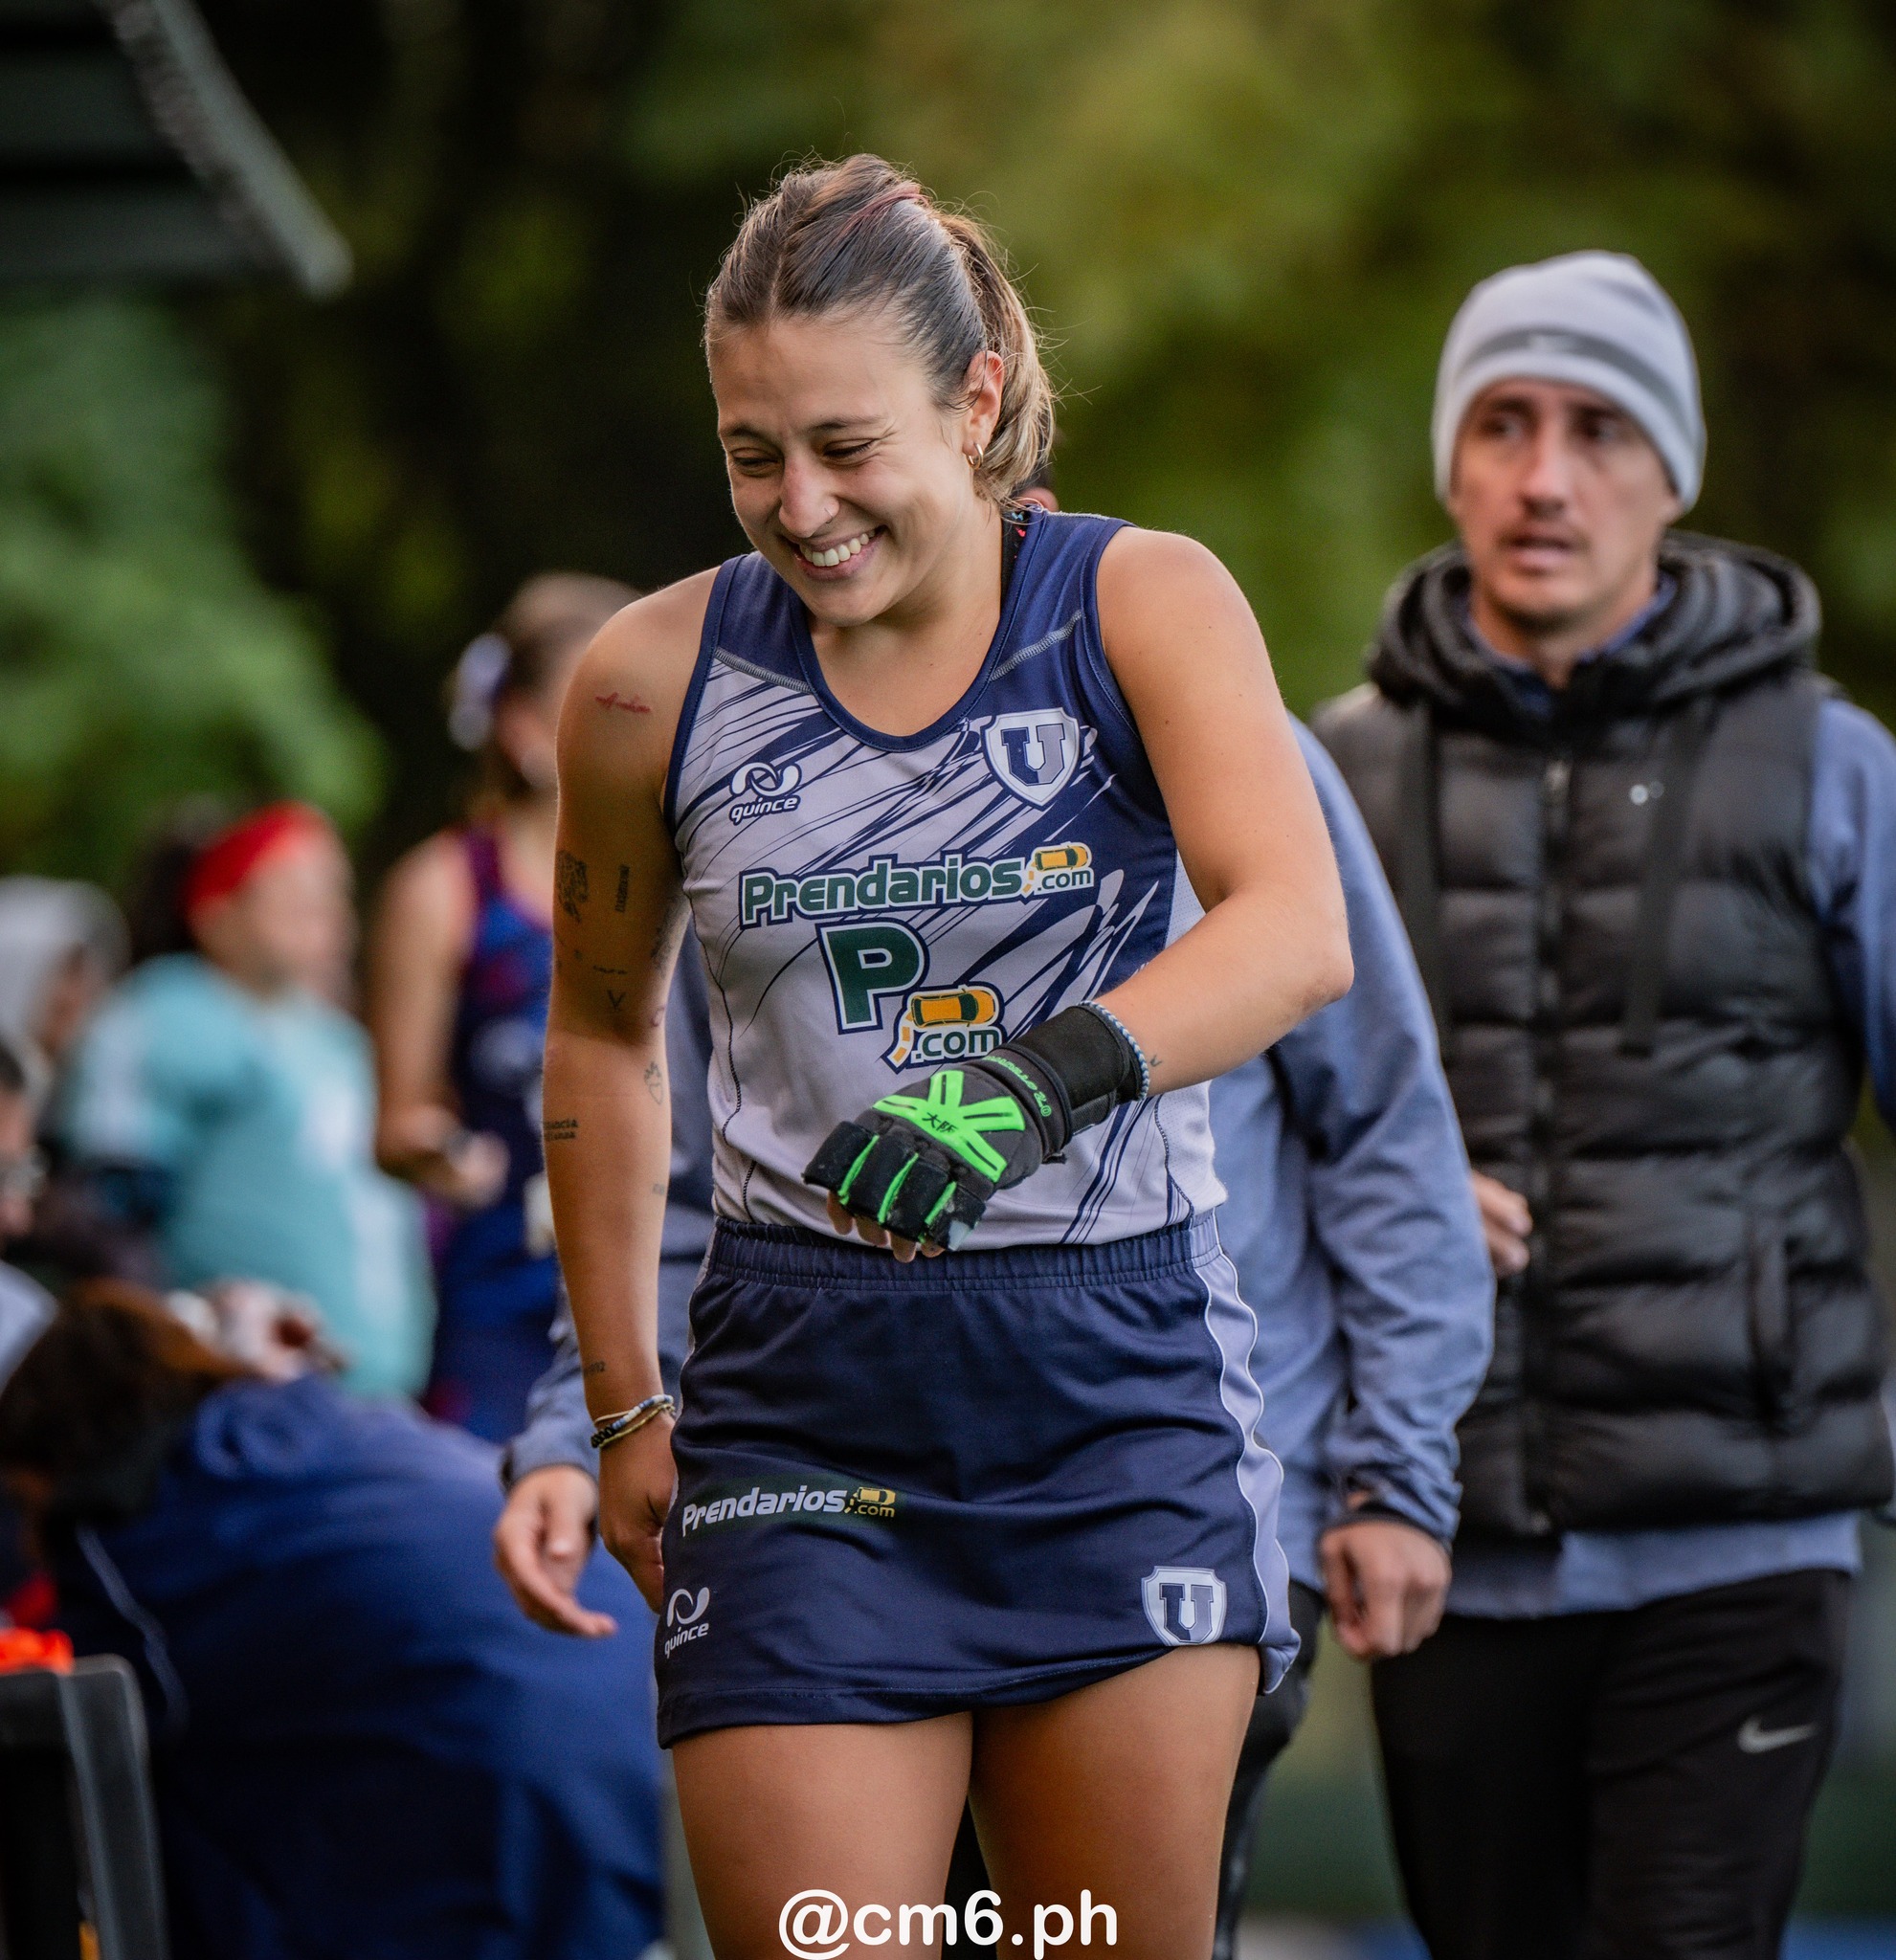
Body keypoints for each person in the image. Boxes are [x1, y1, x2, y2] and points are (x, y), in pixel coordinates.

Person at [543, 153, 1350, 1958]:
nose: (800, 506)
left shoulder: (1140, 603)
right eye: (754, 453)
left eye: (847, 445)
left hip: (1113, 1386)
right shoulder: (640, 681)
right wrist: (617, 1401)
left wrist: (1032, 1077)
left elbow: (1294, 929)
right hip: (801, 1413)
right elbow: (599, 1034)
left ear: (975, 399)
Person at [491, 716, 1493, 1960]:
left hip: (1172, 1476)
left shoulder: (1210, 728)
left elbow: (1383, 1122)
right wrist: (577, 1419)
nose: (816, 520)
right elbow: (686, 1165)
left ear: (1019, 507)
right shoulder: (745, 754)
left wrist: (1395, 1465)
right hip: (830, 1492)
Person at [1313, 250, 1896, 1960]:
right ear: (1452, 461)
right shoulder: (1324, 772)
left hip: (1739, 1535)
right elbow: (1221, 1131)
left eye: (1595, 427)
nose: (1544, 474)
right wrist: (1388, 1197)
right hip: (1434, 1538)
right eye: (1501, 422)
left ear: (1674, 472)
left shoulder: (1829, 764)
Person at [0, 1275, 666, 1960]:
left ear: (52, 1456)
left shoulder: (127, 1534)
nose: (26, 1539)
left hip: (525, 1824)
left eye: (22, 1502)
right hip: (656, 1752)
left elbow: (103, 1767)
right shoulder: (342, 1423)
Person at [368, 574, 636, 1440]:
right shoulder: (443, 889)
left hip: (666, 1291)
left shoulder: (689, 875)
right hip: (505, 1295)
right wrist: (443, 1154)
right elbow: (399, 1120)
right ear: (524, 729)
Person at [56, 803, 435, 1398]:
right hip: (235, 1387)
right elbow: (109, 1210)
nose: (323, 904)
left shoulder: (341, 1041)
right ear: (216, 913)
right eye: (292, 884)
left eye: (333, 887)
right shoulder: (168, 1010)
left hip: (377, 1394)